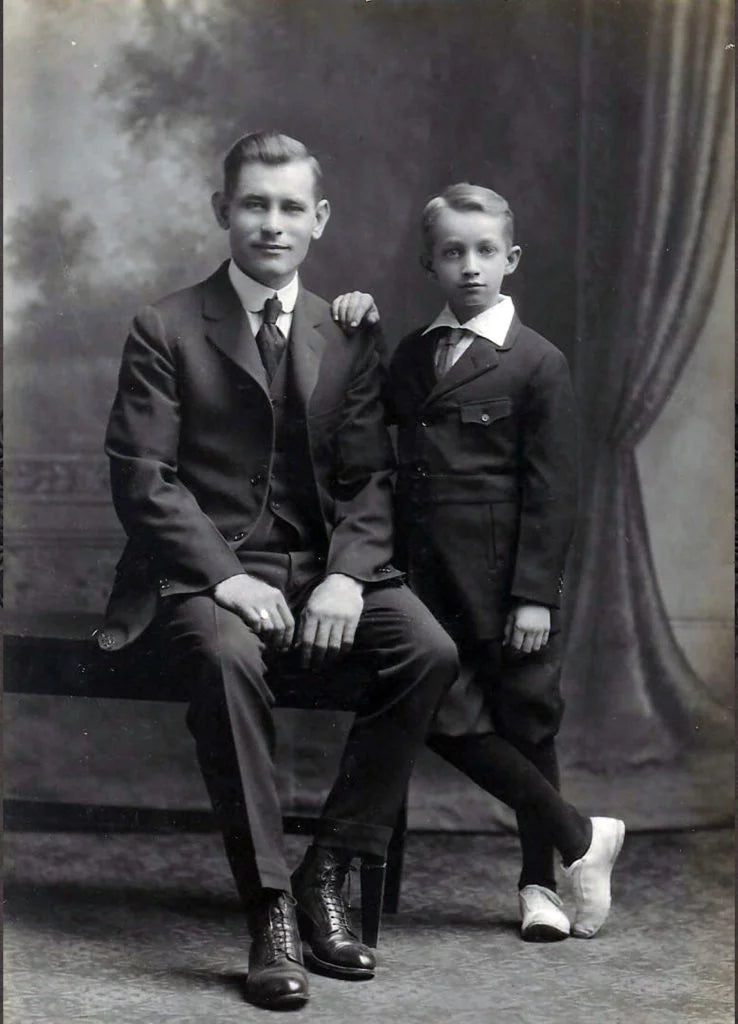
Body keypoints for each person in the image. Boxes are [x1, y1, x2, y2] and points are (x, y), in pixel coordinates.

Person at [98, 132, 458, 1010]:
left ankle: (327, 868)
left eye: (290, 206)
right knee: (227, 661)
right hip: (205, 574)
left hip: (326, 566)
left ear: (319, 220)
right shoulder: (166, 326)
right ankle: (270, 913)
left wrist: (347, 575)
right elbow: (144, 479)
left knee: (428, 650)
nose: (271, 223)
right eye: (254, 204)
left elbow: (370, 475)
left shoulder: (347, 329)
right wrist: (226, 576)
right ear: (223, 212)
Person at [331, 183, 624, 943]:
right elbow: (369, 419)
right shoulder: (415, 354)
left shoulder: (537, 363)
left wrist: (535, 595)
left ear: (512, 259)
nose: (470, 266)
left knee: (527, 719)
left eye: (485, 251)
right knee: (440, 711)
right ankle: (581, 834)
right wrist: (362, 330)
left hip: (504, 583)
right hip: (426, 579)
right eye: (453, 252)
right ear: (429, 263)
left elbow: (554, 491)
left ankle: (539, 886)